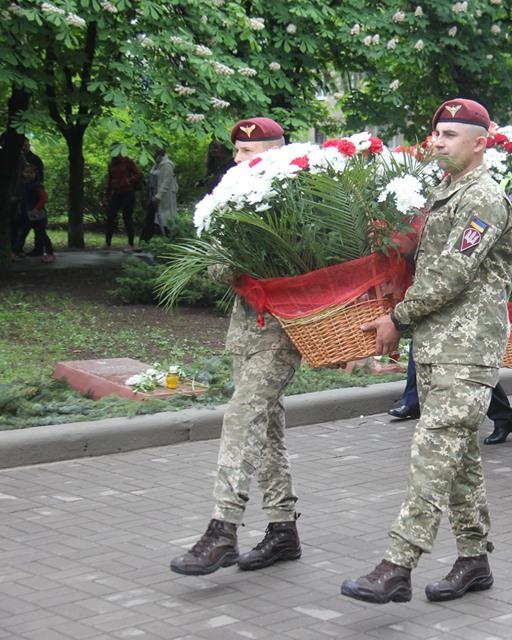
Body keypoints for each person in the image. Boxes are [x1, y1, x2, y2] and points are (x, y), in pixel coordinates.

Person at [341, 98, 512, 604]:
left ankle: (398, 563)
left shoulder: (482, 197)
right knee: (458, 458)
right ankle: (474, 558)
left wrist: (396, 318)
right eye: (436, 133)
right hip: (438, 346)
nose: (437, 142)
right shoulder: (446, 192)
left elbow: (451, 273)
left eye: (451, 135)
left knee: (433, 452)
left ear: (480, 143)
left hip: (467, 349)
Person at [170, 117, 305, 576]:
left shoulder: (300, 199)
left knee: (241, 416)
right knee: (266, 429)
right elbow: (213, 268)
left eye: (246, 153)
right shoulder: (232, 199)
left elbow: (312, 262)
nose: (236, 159)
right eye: (237, 152)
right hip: (245, 330)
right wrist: (230, 265)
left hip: (284, 332)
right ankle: (283, 530)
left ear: (270, 153)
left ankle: (223, 528)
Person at [386, 345, 512, 447]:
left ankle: (503, 416)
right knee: (419, 349)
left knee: (469, 369)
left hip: (459, 320)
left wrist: (398, 319)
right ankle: (412, 401)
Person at [104, 154, 143, 251]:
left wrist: (129, 180)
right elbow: (110, 180)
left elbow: (138, 174)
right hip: (116, 193)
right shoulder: (111, 163)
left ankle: (131, 244)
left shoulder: (127, 161)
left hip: (128, 193)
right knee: (110, 216)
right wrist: (107, 195)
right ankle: (107, 243)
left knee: (127, 217)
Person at [18, 163, 54, 263]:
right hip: (26, 214)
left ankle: (50, 253)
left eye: (31, 172)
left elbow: (43, 198)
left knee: (41, 234)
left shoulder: (37, 185)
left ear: (35, 173)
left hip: (37, 215)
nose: (28, 174)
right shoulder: (24, 185)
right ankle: (16, 252)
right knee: (22, 233)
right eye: (26, 172)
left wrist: (36, 209)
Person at [142, 148, 178, 242]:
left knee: (165, 220)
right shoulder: (156, 165)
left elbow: (166, 182)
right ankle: (144, 242)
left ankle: (170, 240)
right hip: (153, 195)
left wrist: (159, 196)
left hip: (164, 198)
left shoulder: (167, 165)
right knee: (150, 218)